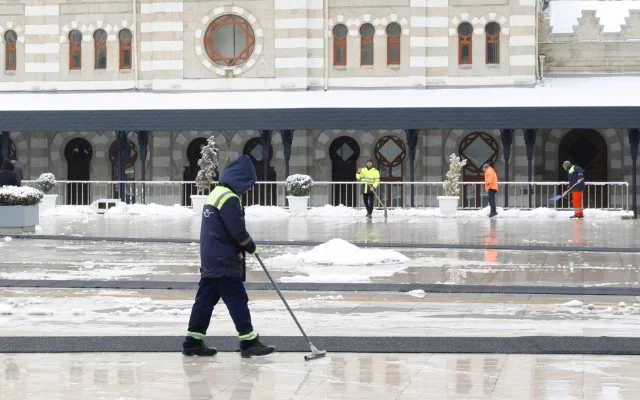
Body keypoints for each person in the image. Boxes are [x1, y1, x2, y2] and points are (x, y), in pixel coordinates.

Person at [183, 155, 275, 358]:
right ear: (240, 179)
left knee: (205, 301)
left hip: (211, 257)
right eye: (248, 183)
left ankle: (192, 342)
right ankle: (249, 342)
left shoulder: (217, 193)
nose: (249, 189)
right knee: (237, 299)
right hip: (223, 260)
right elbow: (237, 231)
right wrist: (251, 246)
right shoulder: (229, 198)